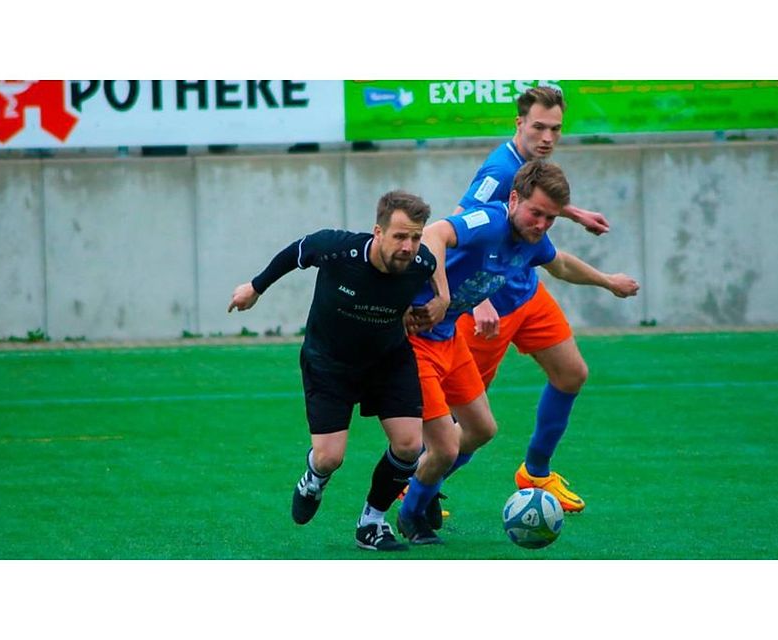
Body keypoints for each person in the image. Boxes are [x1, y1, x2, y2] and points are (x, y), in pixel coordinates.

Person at [398, 159, 619, 544]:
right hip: (416, 340)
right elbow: (434, 234)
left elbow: (561, 264)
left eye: (550, 218)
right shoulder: (490, 222)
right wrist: (444, 293)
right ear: (514, 199)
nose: (541, 224)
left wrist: (608, 282)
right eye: (536, 213)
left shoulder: (532, 240)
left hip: (448, 338)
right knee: (445, 446)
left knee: (483, 429)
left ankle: (425, 484)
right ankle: (411, 511)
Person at [454, 86, 640, 514]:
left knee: (571, 374)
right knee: (464, 425)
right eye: (538, 127)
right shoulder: (498, 171)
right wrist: (476, 299)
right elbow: (458, 225)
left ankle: (535, 472)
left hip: (528, 292)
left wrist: (574, 213)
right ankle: (417, 488)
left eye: (555, 129)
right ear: (519, 123)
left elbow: (539, 202)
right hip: (490, 310)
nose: (547, 137)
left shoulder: (533, 165)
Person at [227, 191, 447, 552]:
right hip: (329, 362)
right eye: (399, 236)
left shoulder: (420, 262)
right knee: (330, 456)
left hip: (388, 359)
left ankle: (372, 522)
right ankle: (314, 478)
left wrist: (441, 301)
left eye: (416, 237)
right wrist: (254, 288)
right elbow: (296, 252)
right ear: (378, 231)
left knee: (409, 445)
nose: (408, 246)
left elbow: (435, 266)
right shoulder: (337, 249)